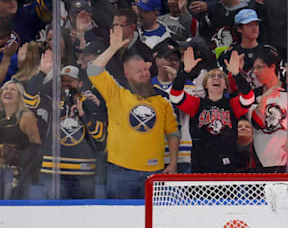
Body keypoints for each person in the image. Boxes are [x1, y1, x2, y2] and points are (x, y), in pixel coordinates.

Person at [88, 25, 179, 199]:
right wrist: (113, 48)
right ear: (127, 73)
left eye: (145, 69)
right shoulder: (117, 94)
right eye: (139, 72)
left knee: (152, 224)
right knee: (119, 222)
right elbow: (93, 70)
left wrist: (173, 163)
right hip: (120, 171)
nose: (145, 74)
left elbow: (173, 132)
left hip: (154, 173)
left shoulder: (162, 100)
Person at [170, 48, 254, 173]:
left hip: (227, 165)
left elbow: (248, 98)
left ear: (225, 85)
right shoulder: (197, 104)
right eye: (212, 76)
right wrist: (185, 72)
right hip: (201, 165)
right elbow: (175, 96)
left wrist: (236, 75)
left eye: (220, 76)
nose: (216, 78)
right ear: (205, 84)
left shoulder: (232, 104)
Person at [41, 66, 105, 199]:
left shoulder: (90, 102)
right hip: (53, 169)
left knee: (84, 215)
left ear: (80, 83)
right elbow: (30, 100)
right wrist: (44, 74)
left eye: (71, 80)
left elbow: (101, 136)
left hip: (84, 171)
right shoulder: (50, 100)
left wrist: (84, 114)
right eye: (63, 80)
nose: (66, 83)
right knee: (54, 215)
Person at [249, 46, 288, 173]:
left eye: (259, 67)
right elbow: (256, 124)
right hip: (259, 161)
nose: (255, 72)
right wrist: (264, 100)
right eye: (254, 68)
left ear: (272, 66)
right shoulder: (253, 95)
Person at [0, 81, 42, 199]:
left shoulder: (26, 117)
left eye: (12, 89)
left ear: (19, 96)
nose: (7, 91)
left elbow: (37, 147)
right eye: (5, 88)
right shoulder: (1, 116)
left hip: (16, 173)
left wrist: (18, 158)